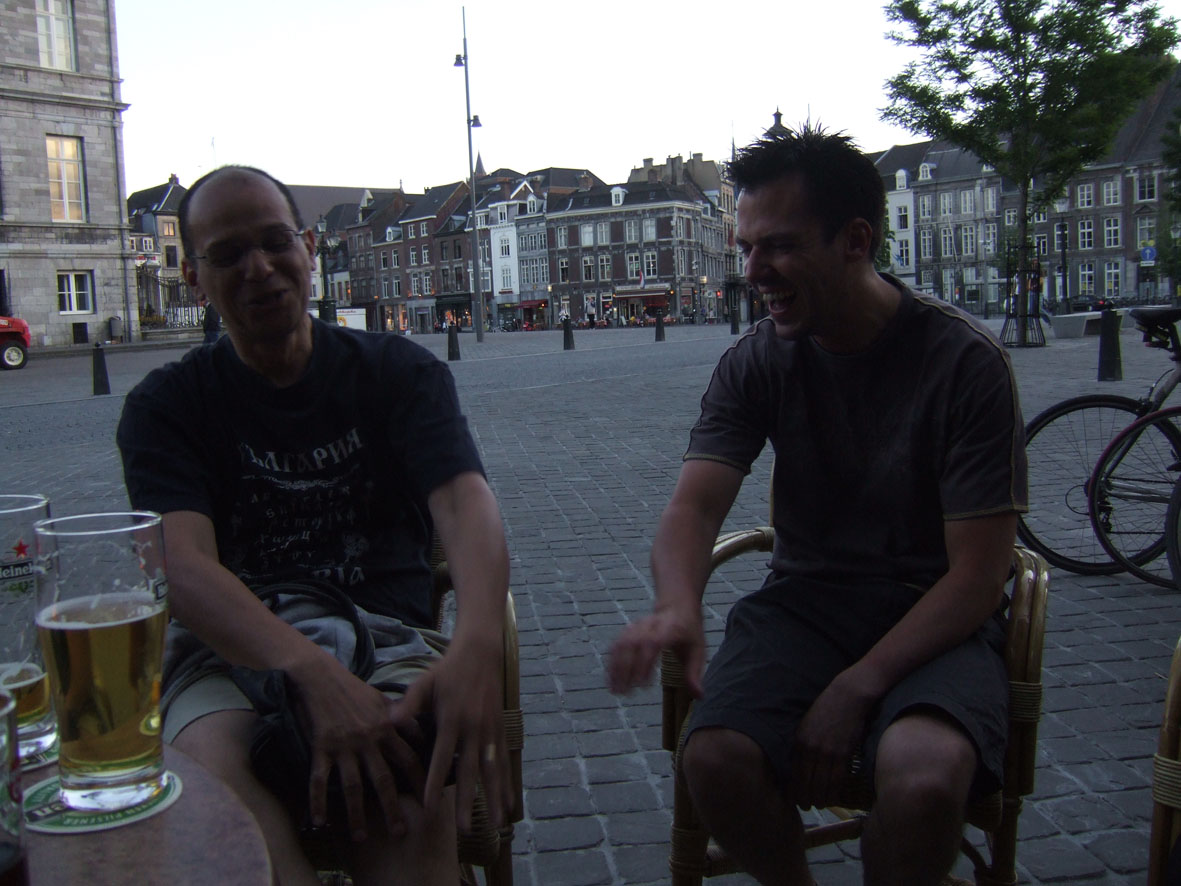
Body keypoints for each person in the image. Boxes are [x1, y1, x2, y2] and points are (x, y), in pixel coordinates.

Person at [608, 126, 1027, 886]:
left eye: (778, 246)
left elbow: (975, 578)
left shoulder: (965, 364)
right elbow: (693, 510)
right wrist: (676, 604)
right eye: (745, 248)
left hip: (934, 617)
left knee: (924, 779)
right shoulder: (757, 360)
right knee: (714, 759)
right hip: (804, 607)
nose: (752, 272)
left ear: (855, 240)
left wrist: (857, 685)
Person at [117, 165, 511, 886]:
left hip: (382, 637)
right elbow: (183, 566)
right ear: (195, 278)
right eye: (228, 254)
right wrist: (308, 671)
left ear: (307, 248)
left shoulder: (397, 372)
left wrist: (479, 639)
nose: (258, 268)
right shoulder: (166, 406)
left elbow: (464, 501)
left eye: (274, 242)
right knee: (220, 796)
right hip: (227, 653)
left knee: (407, 797)